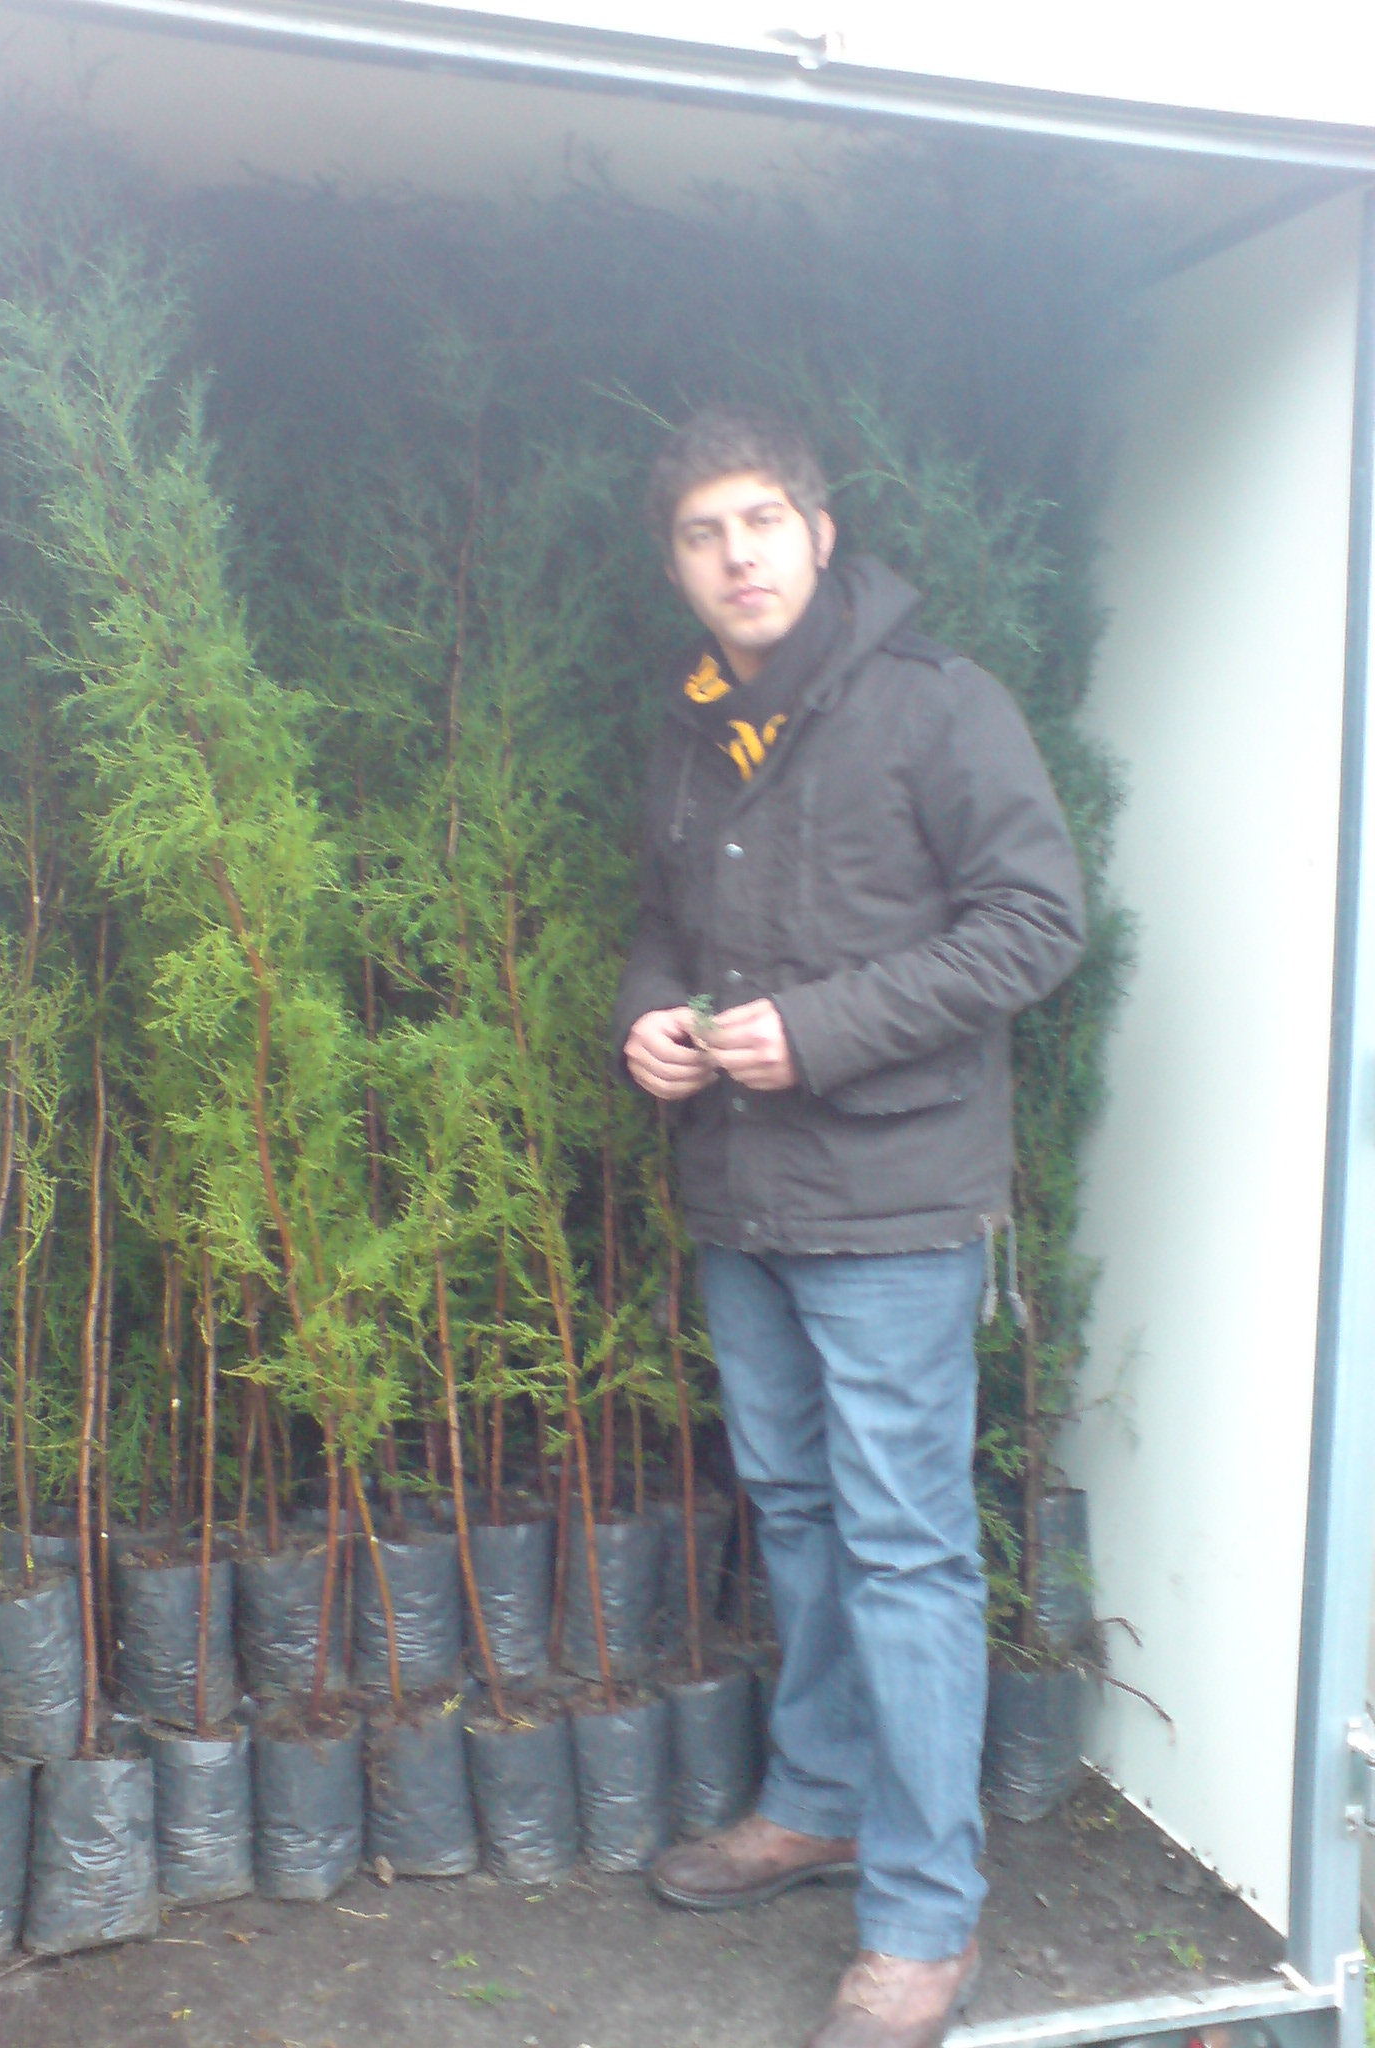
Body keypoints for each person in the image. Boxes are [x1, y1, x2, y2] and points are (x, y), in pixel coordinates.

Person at [612, 410, 1086, 2048]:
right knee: (802, 1516)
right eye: (702, 533)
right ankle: (816, 1803)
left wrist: (818, 1031)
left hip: (892, 1198)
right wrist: (649, 1020)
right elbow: (662, 925)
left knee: (903, 1547)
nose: (735, 554)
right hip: (741, 1194)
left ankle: (924, 1918)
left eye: (761, 520)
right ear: (677, 564)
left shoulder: (938, 705)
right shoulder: (693, 727)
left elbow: (1036, 923)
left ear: (820, 533)